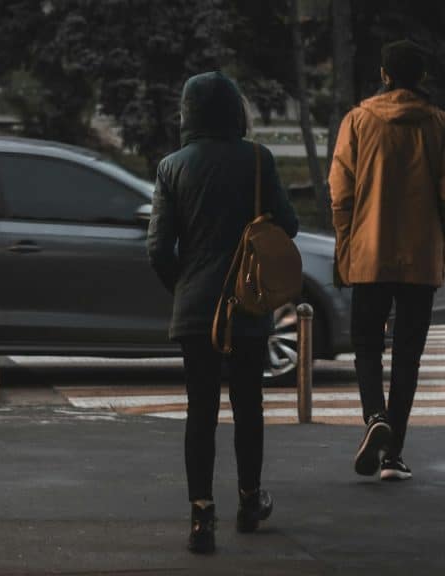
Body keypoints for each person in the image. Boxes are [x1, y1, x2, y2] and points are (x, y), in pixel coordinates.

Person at [147, 71, 299, 554]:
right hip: (248, 306)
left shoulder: (172, 166)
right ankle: (250, 502)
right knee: (249, 407)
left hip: (196, 312)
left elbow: (157, 247)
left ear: (188, 112)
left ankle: (200, 517)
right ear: (236, 110)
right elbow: (288, 226)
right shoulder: (258, 160)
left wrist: (185, 287)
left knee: (201, 412)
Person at [329, 40, 445, 481]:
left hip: (370, 254)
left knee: (367, 345)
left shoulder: (358, 121)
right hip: (420, 259)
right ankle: (394, 456)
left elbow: (341, 193)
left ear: (385, 75)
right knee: (408, 355)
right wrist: (440, 235)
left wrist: (346, 244)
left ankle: (375, 418)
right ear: (421, 78)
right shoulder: (442, 125)